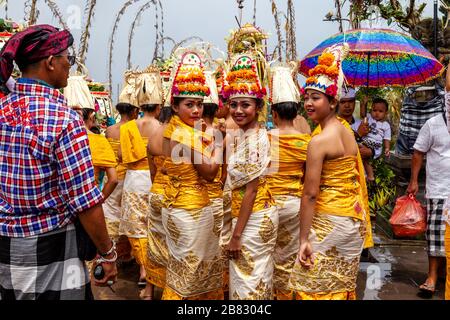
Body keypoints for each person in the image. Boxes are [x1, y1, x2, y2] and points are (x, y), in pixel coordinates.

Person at [0, 24, 117, 300]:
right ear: (51, 62)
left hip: (5, 248)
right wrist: (107, 252)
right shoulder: (64, 119)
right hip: (52, 249)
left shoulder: (3, 110)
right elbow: (84, 201)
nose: (70, 65)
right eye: (69, 59)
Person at [288, 44, 369, 300]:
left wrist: (303, 239)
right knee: (340, 286)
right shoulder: (347, 131)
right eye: (307, 97)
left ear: (333, 101)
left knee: (310, 287)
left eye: (316, 98)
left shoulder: (319, 141)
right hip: (354, 221)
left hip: (331, 218)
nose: (308, 103)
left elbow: (310, 194)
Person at [160, 49, 223, 300]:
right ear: (174, 106)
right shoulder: (185, 135)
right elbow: (209, 173)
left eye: (199, 104)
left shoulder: (174, 129)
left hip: (177, 205)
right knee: (191, 273)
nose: (196, 110)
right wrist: (218, 143)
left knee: (183, 268)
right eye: (189, 105)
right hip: (190, 210)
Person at [223, 52, 278, 300]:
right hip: (248, 213)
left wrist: (236, 236)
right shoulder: (245, 136)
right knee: (251, 278)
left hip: (254, 215)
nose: (238, 110)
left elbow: (251, 190)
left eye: (245, 104)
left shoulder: (255, 139)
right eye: (233, 104)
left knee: (249, 280)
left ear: (258, 107)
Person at [267, 63, 311, 300]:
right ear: (296, 114)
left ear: (273, 114)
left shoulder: (264, 139)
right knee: (287, 257)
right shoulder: (306, 142)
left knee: (266, 254)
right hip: (294, 204)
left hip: (267, 204)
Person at [407, 62, 450, 297]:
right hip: (439, 189)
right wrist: (414, 181)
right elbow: (417, 153)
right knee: (435, 235)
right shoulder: (432, 125)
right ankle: (432, 277)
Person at [119, 68, 161, 298]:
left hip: (134, 180)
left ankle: (143, 268)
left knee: (137, 229)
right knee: (154, 228)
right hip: (154, 179)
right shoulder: (162, 128)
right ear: (158, 107)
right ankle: (152, 274)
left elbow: (125, 159)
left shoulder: (128, 128)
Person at [104, 102, 139, 259]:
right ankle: (128, 252)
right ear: (133, 112)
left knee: (112, 211)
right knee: (131, 214)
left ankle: (113, 250)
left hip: (112, 173)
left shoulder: (110, 130)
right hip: (130, 175)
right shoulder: (134, 128)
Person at [359, 97, 392, 182]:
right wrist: (364, 104)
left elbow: (387, 138)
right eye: (374, 110)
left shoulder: (386, 125)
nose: (377, 113)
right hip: (366, 142)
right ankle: (368, 175)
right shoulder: (369, 118)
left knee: (365, 157)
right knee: (365, 159)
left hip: (376, 146)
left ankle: (369, 175)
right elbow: (363, 114)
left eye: (380, 111)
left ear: (385, 113)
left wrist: (387, 148)